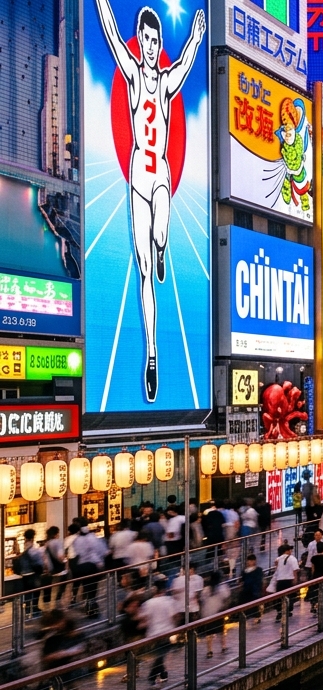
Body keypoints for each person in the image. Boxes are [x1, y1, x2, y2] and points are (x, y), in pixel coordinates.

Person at [92, 0, 206, 400]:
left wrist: (194, 37)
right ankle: (152, 355)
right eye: (147, 39)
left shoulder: (169, 80)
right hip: (138, 175)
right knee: (144, 274)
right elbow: (108, 32)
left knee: (160, 233)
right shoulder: (135, 78)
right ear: (140, 42)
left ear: (160, 43)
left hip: (161, 174)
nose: (152, 45)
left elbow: (190, 61)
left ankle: (162, 246)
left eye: (157, 39)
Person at [139, 578, 177, 686]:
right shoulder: (169, 601)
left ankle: (163, 673)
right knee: (161, 654)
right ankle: (152, 675)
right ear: (164, 589)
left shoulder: (148, 603)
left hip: (153, 633)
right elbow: (174, 616)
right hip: (166, 631)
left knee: (160, 654)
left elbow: (144, 619)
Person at [199, 569, 230, 657]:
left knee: (209, 633)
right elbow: (226, 598)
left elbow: (202, 601)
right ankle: (223, 647)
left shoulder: (206, 589)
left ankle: (209, 650)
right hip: (218, 612)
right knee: (221, 630)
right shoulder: (222, 588)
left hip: (208, 614)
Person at [271, 543, 299, 619]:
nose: (291, 551)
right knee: (289, 596)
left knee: (279, 597)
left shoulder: (277, 559)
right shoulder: (292, 558)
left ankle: (279, 611)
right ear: (286, 551)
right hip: (289, 580)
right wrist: (295, 579)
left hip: (280, 580)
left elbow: (276, 570)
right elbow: (295, 570)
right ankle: (288, 611)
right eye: (289, 550)